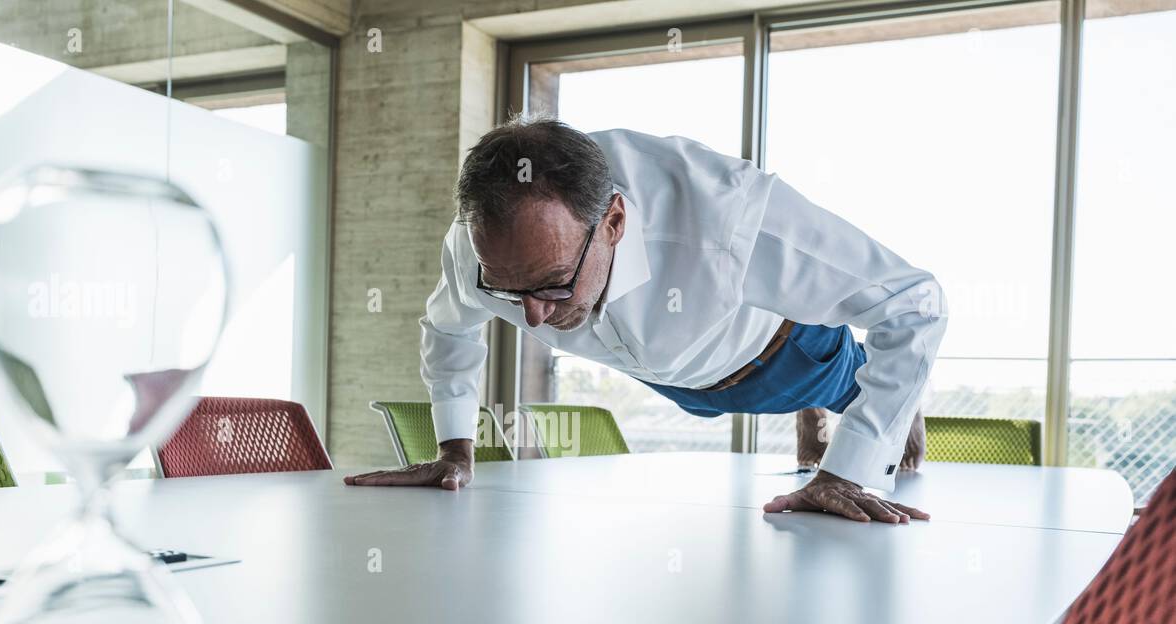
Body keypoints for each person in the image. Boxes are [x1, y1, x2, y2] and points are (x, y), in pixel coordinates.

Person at [346, 117, 945, 524]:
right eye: (508, 291)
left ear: (613, 222)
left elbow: (916, 301)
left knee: (851, 388)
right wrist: (455, 447)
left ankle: (845, 398)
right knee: (681, 381)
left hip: (785, 355)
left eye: (552, 284)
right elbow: (449, 327)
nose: (534, 317)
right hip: (670, 377)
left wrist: (856, 464)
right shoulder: (473, 249)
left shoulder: (724, 217)